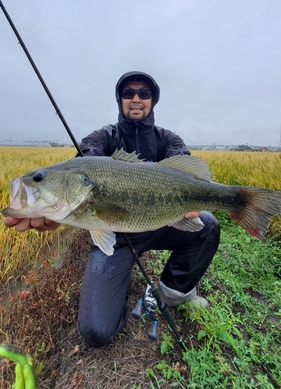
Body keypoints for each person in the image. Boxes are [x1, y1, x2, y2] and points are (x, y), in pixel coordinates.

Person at [3, 71, 220, 348]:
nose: (137, 98)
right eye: (128, 93)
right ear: (120, 100)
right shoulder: (103, 136)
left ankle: (173, 293)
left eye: (144, 93)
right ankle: (120, 278)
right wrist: (61, 210)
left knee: (207, 225)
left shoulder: (168, 139)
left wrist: (191, 199)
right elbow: (89, 157)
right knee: (97, 331)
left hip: (162, 224)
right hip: (114, 237)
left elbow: (184, 163)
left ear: (153, 100)